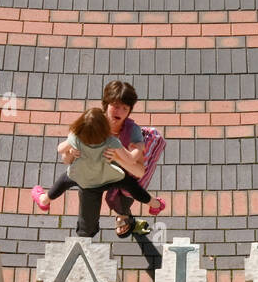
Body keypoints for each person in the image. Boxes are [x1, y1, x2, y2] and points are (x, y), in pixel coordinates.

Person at [30, 106, 153, 238]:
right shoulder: (111, 141)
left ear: (80, 125)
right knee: (130, 184)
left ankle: (44, 200)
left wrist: (70, 150)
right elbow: (129, 158)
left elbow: (60, 149)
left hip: (84, 179)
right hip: (109, 176)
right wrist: (138, 148)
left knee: (64, 181)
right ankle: (154, 204)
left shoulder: (76, 138)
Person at [98, 80, 167, 237]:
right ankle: (153, 204)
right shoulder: (94, 122)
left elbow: (139, 170)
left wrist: (118, 156)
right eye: (116, 105)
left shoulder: (132, 131)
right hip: (102, 173)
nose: (120, 112)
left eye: (125, 108)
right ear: (106, 104)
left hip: (124, 176)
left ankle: (124, 216)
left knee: (117, 199)